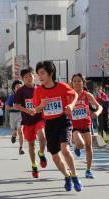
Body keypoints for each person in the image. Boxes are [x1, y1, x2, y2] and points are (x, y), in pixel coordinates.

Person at [33, 61, 82, 192]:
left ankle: (75, 176)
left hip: (63, 121)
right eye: (38, 74)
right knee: (55, 156)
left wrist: (71, 106)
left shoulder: (62, 86)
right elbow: (35, 110)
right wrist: (41, 106)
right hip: (49, 124)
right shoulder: (38, 90)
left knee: (65, 149)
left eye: (42, 73)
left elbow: (75, 94)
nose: (40, 76)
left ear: (51, 73)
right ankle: (67, 176)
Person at [14, 67, 48, 177]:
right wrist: (27, 110)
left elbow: (45, 102)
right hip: (28, 121)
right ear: (23, 79)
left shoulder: (40, 88)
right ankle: (34, 165)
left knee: (42, 136)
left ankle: (41, 154)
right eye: (26, 77)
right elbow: (16, 106)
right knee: (31, 144)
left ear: (34, 76)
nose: (29, 78)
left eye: (30, 76)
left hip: (39, 118)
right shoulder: (20, 91)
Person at [70, 73, 103, 179]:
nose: (77, 83)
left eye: (79, 81)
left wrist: (96, 114)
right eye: (74, 81)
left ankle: (88, 170)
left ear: (83, 83)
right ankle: (76, 146)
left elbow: (100, 107)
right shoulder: (69, 95)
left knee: (89, 147)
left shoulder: (87, 95)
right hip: (75, 125)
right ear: (71, 83)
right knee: (81, 144)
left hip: (86, 124)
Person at [6, 80, 25, 155]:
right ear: (14, 89)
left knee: (20, 130)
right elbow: (7, 108)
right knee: (15, 131)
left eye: (21, 87)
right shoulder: (11, 97)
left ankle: (21, 148)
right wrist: (13, 107)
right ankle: (13, 136)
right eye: (17, 87)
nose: (19, 88)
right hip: (13, 115)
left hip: (21, 114)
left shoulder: (25, 96)